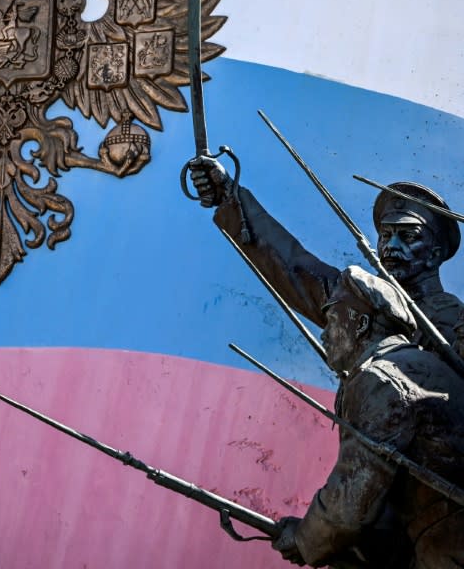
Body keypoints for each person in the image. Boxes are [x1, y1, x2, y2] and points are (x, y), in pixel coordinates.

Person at [271, 265, 464, 568]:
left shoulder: (382, 379)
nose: (324, 333)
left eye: (332, 320)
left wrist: (304, 538)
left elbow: (351, 500)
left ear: (360, 324)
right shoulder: (420, 365)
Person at [190, 158, 463, 346]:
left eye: (407, 237)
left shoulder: (453, 320)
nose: (391, 246)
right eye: (385, 235)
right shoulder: (361, 301)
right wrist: (229, 196)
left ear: (435, 253)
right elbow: (294, 267)